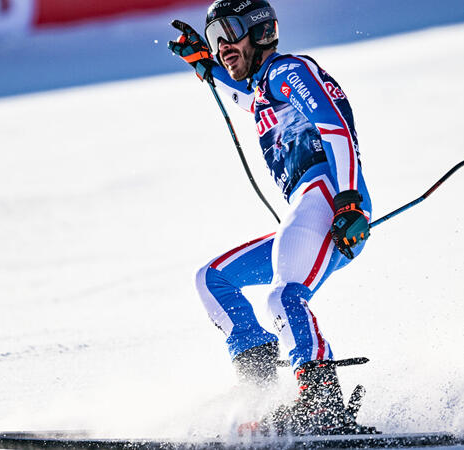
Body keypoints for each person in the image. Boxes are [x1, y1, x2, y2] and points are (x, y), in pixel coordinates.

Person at [169, 0, 371, 435]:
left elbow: (334, 124)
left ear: (260, 31)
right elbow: (247, 97)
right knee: (212, 280)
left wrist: (350, 199)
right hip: (308, 206)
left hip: (328, 199)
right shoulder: (266, 86)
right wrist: (206, 68)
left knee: (283, 298)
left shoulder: (287, 71)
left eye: (228, 32)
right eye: (213, 38)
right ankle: (260, 391)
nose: (221, 45)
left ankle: (321, 404)